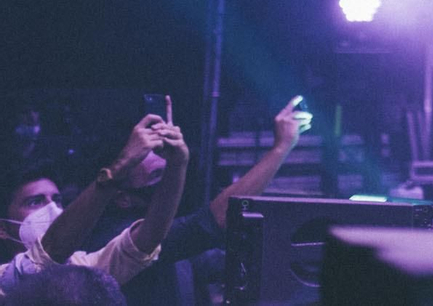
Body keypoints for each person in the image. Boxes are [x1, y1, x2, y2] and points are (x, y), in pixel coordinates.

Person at [78, 98, 311, 306]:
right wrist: (281, 147)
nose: (171, 186)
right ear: (124, 199)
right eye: (157, 177)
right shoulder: (120, 240)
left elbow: (215, 260)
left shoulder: (170, 237)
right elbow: (213, 221)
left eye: (168, 172)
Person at [0, 115, 187, 294]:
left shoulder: (78, 267)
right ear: (2, 228)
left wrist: (177, 163)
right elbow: (49, 252)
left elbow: (145, 241)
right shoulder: (3, 279)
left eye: (57, 200)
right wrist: (121, 166)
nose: (51, 209)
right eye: (35, 202)